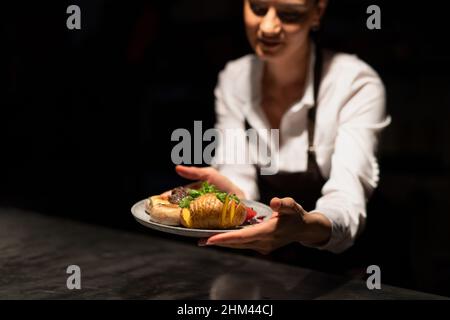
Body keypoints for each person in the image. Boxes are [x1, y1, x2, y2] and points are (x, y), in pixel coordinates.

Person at [174, 0, 390, 262]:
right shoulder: (235, 77)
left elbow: (347, 197)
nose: (268, 27)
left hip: (343, 270)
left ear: (317, 13)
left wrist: (304, 227)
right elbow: (239, 174)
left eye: (289, 14)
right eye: (258, 9)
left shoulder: (355, 83)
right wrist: (232, 195)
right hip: (261, 267)